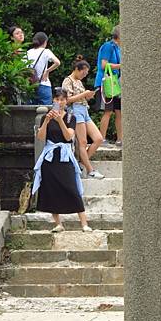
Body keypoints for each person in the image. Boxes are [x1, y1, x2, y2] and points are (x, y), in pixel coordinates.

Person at [33, 88, 92, 232]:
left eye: (62, 100)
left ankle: (84, 223)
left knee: (72, 188)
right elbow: (40, 137)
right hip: (50, 156)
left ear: (66, 101)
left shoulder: (71, 117)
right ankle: (58, 223)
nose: (59, 102)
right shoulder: (45, 117)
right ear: (53, 100)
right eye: (57, 99)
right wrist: (47, 120)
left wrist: (60, 120)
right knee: (51, 189)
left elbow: (68, 137)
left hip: (65, 156)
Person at [62, 56, 105, 179]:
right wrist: (84, 94)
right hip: (75, 110)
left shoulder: (79, 82)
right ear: (76, 69)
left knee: (98, 138)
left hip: (84, 110)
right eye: (83, 72)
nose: (84, 75)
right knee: (83, 142)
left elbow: (80, 96)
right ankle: (90, 170)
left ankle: (80, 163)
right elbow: (67, 100)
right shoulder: (68, 81)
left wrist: (87, 96)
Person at [94, 26, 122, 146]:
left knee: (119, 111)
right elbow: (104, 65)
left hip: (114, 83)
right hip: (106, 82)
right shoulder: (108, 46)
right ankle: (102, 139)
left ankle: (120, 139)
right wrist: (120, 65)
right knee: (108, 111)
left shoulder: (117, 47)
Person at [26, 32, 61, 105]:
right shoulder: (46, 51)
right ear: (45, 42)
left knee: (31, 111)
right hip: (44, 84)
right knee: (46, 111)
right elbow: (57, 62)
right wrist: (47, 71)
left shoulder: (28, 52)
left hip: (30, 86)